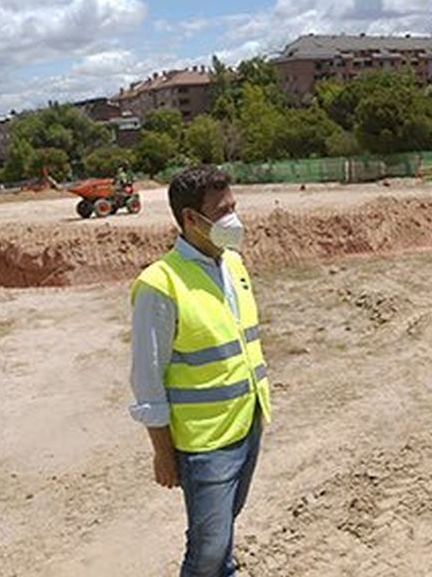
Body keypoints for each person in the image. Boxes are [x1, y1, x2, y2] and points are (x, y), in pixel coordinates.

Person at [129, 166, 271, 577]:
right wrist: (162, 451)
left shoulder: (233, 265)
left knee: (223, 531)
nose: (233, 219)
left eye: (234, 207)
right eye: (222, 211)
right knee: (206, 551)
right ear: (191, 219)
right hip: (205, 443)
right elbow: (147, 379)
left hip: (248, 422)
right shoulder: (159, 285)